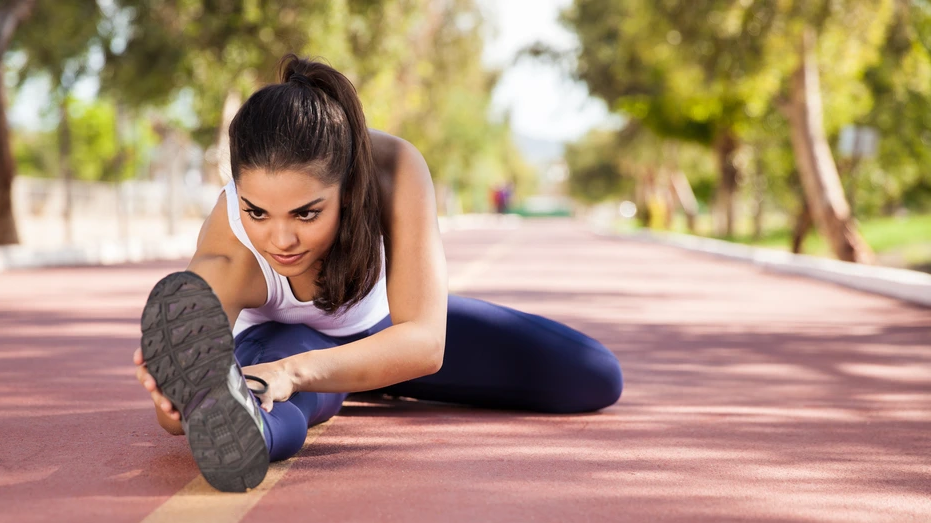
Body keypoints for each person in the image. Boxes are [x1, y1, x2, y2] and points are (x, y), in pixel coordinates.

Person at [134, 55, 623, 493]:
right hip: (285, 344)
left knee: (595, 377)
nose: (280, 239)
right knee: (266, 392)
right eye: (257, 211)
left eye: (306, 213)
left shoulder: (393, 169)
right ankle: (263, 429)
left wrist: (295, 373)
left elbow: (426, 343)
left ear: (348, 186)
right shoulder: (229, 249)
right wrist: (176, 404)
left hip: (388, 337)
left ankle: (346, 375)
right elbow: (178, 419)